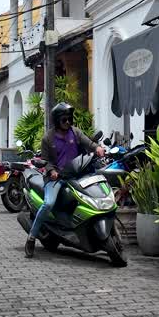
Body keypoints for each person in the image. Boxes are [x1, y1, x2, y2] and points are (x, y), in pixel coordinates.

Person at [25, 102, 104, 258]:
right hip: (56, 178)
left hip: (76, 174)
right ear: (57, 121)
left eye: (69, 119)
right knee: (48, 204)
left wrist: (97, 148)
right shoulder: (48, 138)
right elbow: (45, 160)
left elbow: (89, 143)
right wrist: (52, 171)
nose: (68, 122)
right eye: (64, 120)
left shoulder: (75, 132)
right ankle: (31, 237)